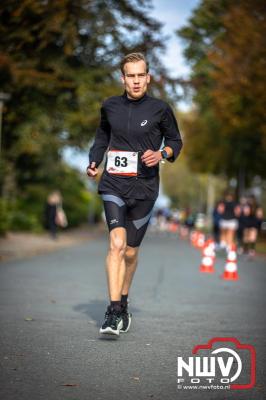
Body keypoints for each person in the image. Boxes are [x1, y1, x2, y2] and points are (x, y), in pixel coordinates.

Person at [86, 52, 183, 336]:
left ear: (148, 78)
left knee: (130, 252)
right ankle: (114, 310)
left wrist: (163, 153)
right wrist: (94, 160)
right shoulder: (110, 106)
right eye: (131, 75)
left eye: (141, 75)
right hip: (114, 184)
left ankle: (124, 300)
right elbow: (102, 137)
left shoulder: (160, 109)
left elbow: (175, 140)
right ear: (123, 78)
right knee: (116, 244)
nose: (136, 81)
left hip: (145, 188)